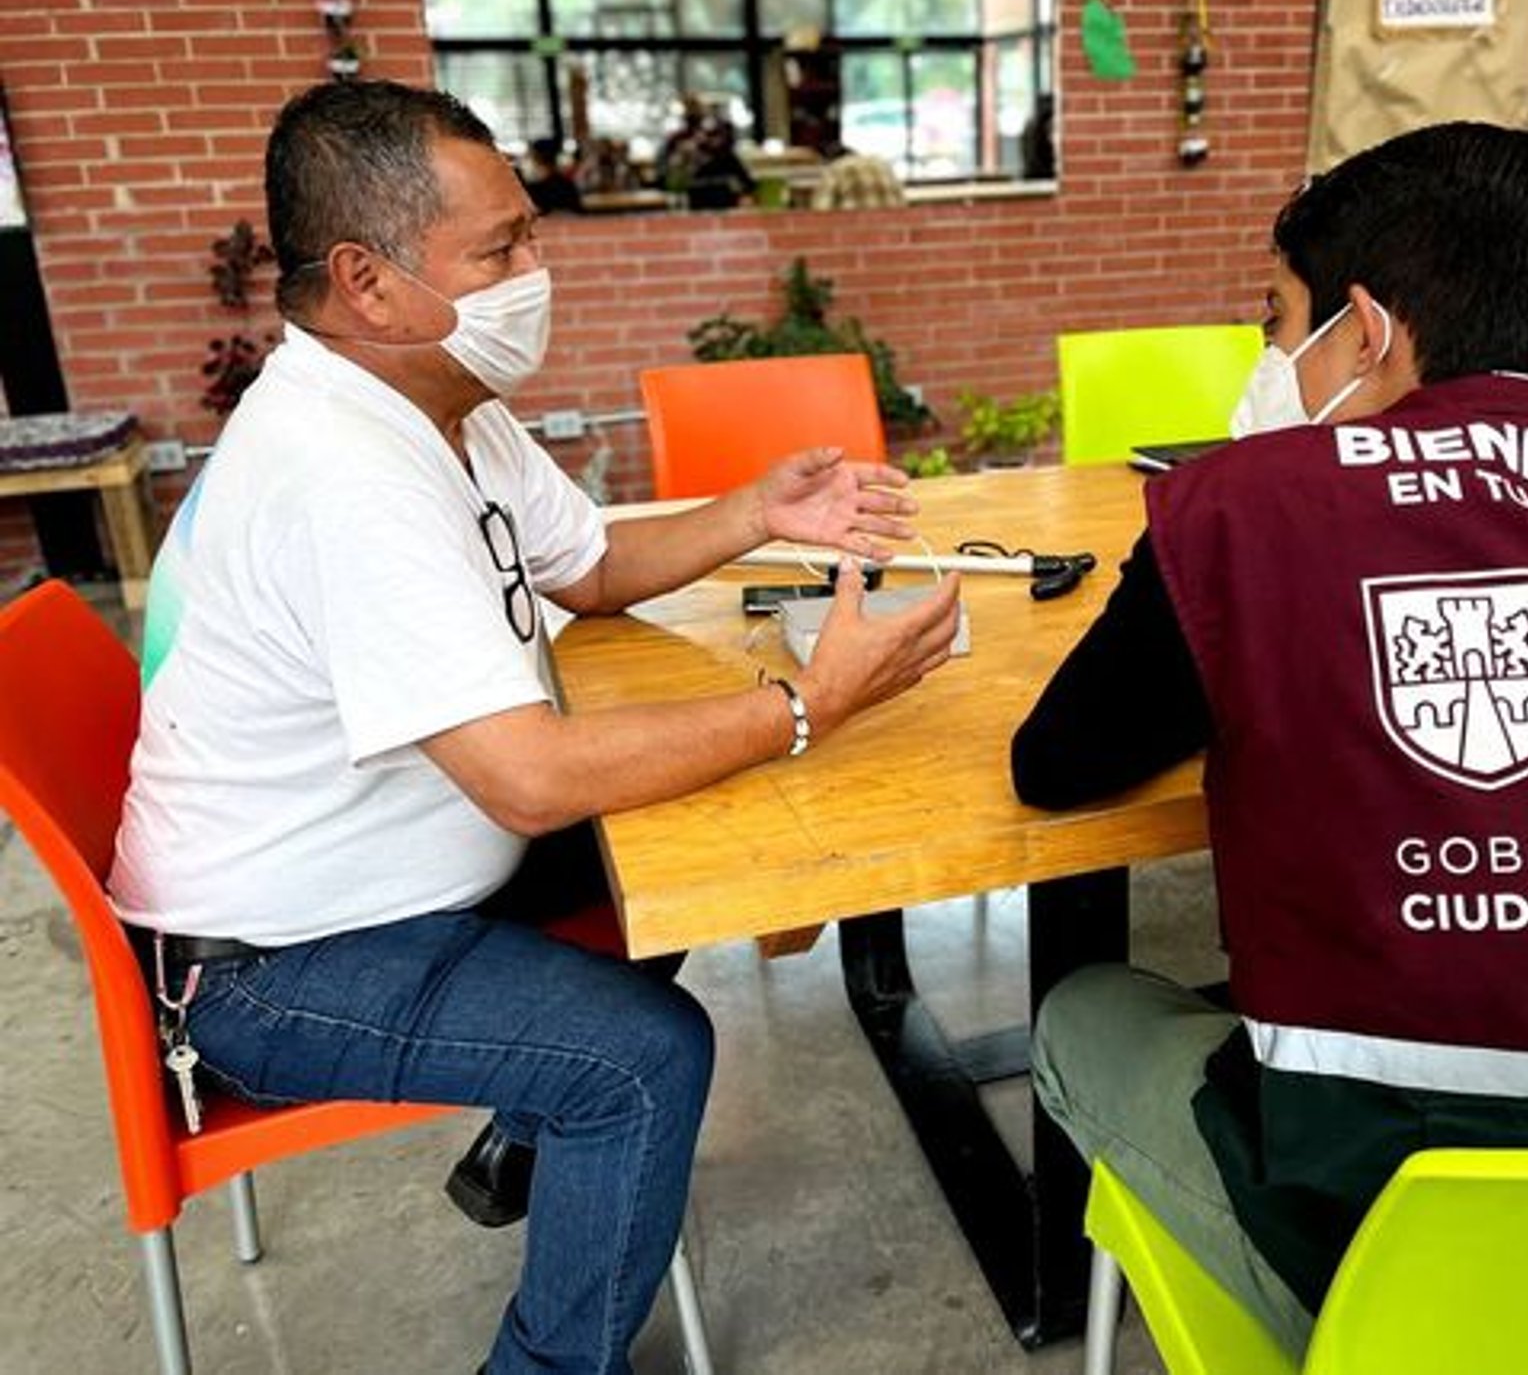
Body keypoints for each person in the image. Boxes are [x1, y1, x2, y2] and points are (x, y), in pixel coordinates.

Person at [108, 79, 960, 1375]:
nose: (535, 271)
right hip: (271, 965)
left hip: (383, 873)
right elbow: (525, 779)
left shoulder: (439, 406)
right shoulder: (344, 472)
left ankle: (524, 1131)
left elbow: (590, 569)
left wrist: (751, 513)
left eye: (529, 236)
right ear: (369, 280)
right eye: (501, 248)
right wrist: (807, 703)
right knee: (641, 1060)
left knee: (696, 853)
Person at [1013, 122, 1528, 1359]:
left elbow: (1061, 762)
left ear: (1366, 328)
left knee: (1081, 1007)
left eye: (1274, 317)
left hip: (1423, 1270)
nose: (1266, 352)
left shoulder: (1253, 508)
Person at [519, 135, 583, 214]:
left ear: (538, 157)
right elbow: (578, 212)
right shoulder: (567, 185)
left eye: (533, 154)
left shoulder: (534, 188)